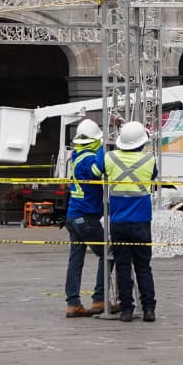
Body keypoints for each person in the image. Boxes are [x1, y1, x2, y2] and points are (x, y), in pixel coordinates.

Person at [104, 121, 159, 322]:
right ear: (142, 142)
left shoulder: (110, 158)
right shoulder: (149, 159)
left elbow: (97, 171)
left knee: (123, 266)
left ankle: (126, 310)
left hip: (118, 222)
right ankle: (149, 309)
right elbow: (154, 176)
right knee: (143, 267)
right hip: (141, 222)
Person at [64, 119, 107, 319]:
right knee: (109, 253)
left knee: (76, 260)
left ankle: (73, 303)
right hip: (86, 217)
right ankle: (100, 299)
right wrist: (105, 147)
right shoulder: (89, 157)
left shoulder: (76, 155)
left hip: (73, 216)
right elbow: (97, 171)